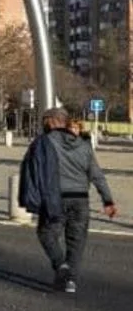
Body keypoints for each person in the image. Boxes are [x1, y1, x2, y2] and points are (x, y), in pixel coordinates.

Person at [19, 108, 117, 293]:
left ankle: (60, 265)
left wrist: (31, 198)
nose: (43, 124)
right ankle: (70, 281)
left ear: (52, 121)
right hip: (81, 200)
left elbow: (31, 170)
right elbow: (97, 175)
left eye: (45, 120)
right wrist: (108, 201)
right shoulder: (84, 145)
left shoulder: (44, 142)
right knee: (76, 241)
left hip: (56, 199)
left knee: (46, 233)